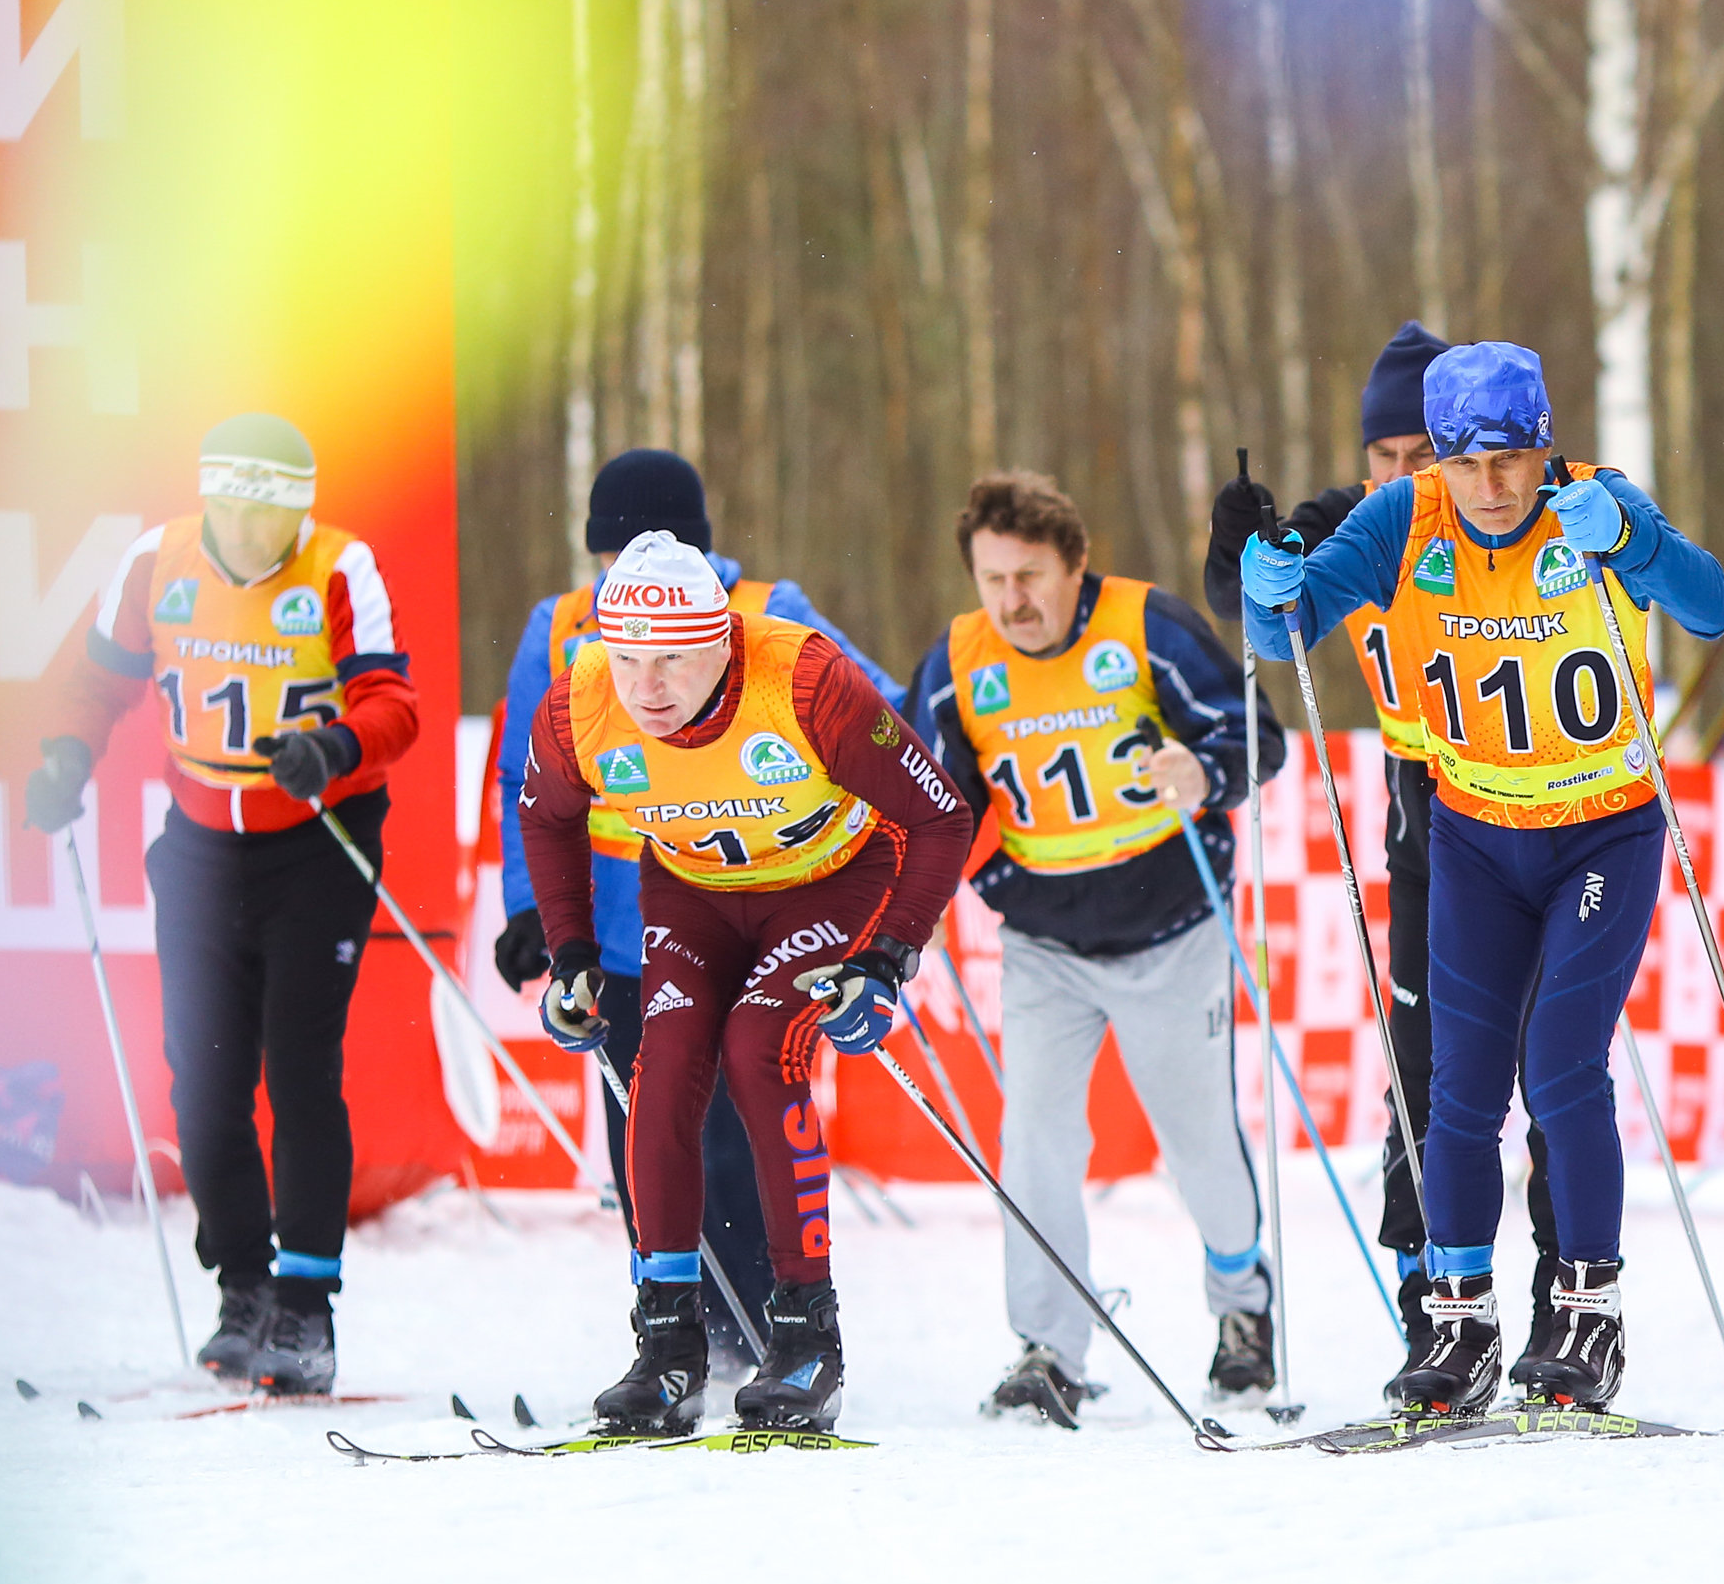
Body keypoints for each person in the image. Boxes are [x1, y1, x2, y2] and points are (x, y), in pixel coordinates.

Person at [1242, 340, 1724, 1414]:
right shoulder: (1401, 516)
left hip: (1601, 833)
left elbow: (1709, 609)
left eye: (1513, 456)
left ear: (1544, 443)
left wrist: (1637, 541)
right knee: (1457, 1092)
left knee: (1560, 1066)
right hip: (1471, 837)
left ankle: (1587, 1312)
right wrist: (1265, 586)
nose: (1493, 484)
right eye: (1468, 462)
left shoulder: (1586, 502)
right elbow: (1287, 629)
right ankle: (1459, 1322)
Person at [512, 537, 969, 1435]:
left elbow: (939, 814)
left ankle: (805, 1332)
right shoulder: (581, 700)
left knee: (760, 1049)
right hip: (694, 894)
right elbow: (546, 815)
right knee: (662, 1055)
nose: (647, 686)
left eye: (673, 657)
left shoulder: (801, 681)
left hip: (831, 878)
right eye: (630, 656)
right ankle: (668, 1344)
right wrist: (569, 953)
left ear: (722, 640)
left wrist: (887, 958)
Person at [23, 414, 420, 1396]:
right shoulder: (155, 563)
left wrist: (335, 747)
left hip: (317, 842)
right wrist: (68, 754)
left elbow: (394, 705)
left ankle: (307, 1303)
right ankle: (242, 1284)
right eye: (241, 512)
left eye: (280, 513)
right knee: (201, 1082)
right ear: (214, 501)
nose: (258, 536)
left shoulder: (338, 567)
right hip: (201, 845)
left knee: (299, 1065)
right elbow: (96, 682)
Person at [486, 448, 894, 1367]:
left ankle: (769, 1324)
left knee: (742, 1129)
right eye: (608, 563)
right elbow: (522, 772)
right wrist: (530, 908)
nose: (628, 585)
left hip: (761, 913)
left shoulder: (766, 613)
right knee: (647, 1134)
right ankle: (679, 1333)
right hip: (624, 932)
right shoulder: (559, 626)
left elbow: (887, 712)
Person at [1210, 320, 1567, 1339]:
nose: (1411, 476)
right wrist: (1230, 546)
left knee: (1547, 1058)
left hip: (1529, 791)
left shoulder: (1491, 507)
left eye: (1428, 456)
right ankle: (1430, 1289)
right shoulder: (1360, 520)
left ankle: (1560, 1285)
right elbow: (1252, 617)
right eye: (1388, 458)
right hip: (1423, 801)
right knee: (1423, 1057)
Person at [903, 471, 1284, 1419]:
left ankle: (1244, 1310)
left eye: (1029, 575)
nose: (1012, 601)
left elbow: (1258, 736)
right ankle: (1049, 1342)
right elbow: (928, 805)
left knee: (1196, 1143)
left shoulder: (1145, 627)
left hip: (1171, 928)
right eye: (992, 579)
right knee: (1032, 1140)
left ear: (1076, 564)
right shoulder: (958, 663)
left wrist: (1204, 768)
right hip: (1044, 945)